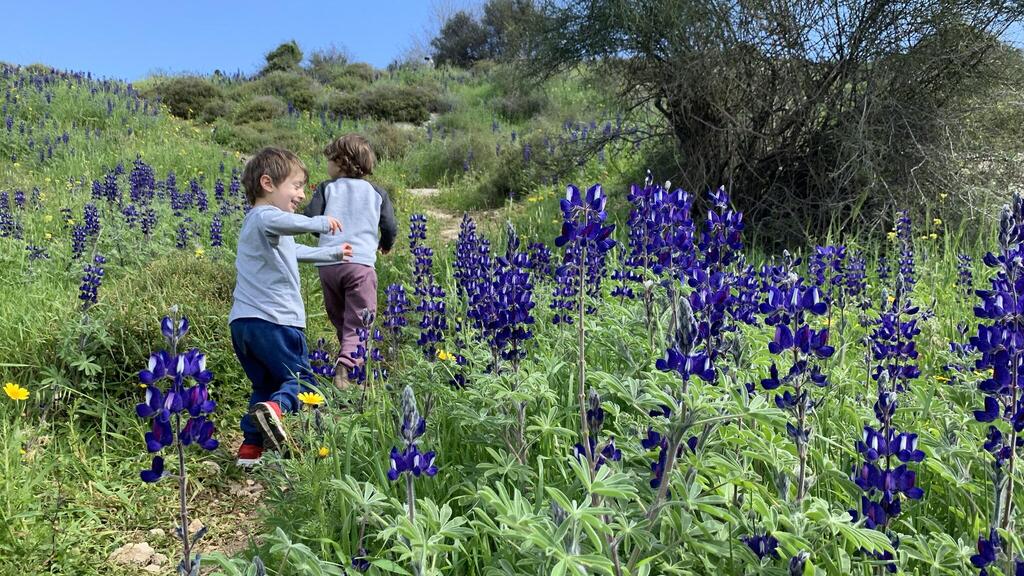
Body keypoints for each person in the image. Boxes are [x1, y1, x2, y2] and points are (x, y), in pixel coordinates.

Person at [230, 147, 352, 467]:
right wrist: (319, 223)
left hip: (243, 324)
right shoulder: (266, 216)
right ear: (268, 183)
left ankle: (251, 449)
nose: (300, 194)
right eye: (296, 186)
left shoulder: (258, 226)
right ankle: (280, 411)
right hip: (276, 322)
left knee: (265, 386)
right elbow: (286, 224)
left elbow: (294, 250)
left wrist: (334, 255)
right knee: (301, 379)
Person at [304, 134, 397, 389]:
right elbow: (389, 225)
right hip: (360, 265)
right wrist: (385, 244)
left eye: (329, 160)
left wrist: (324, 235)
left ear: (341, 162)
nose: (327, 165)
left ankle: (351, 368)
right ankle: (346, 371)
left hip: (329, 264)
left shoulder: (327, 188)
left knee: (342, 318)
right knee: (359, 320)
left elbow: (311, 218)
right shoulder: (376, 192)